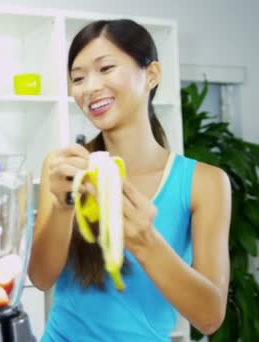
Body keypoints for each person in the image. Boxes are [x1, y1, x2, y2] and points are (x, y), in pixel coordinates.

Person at [28, 19, 231, 341]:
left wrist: (145, 241)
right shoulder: (64, 167)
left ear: (151, 75)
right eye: (78, 78)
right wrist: (63, 207)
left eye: (106, 68)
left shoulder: (204, 183)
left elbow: (209, 317)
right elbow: (40, 278)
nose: (90, 87)